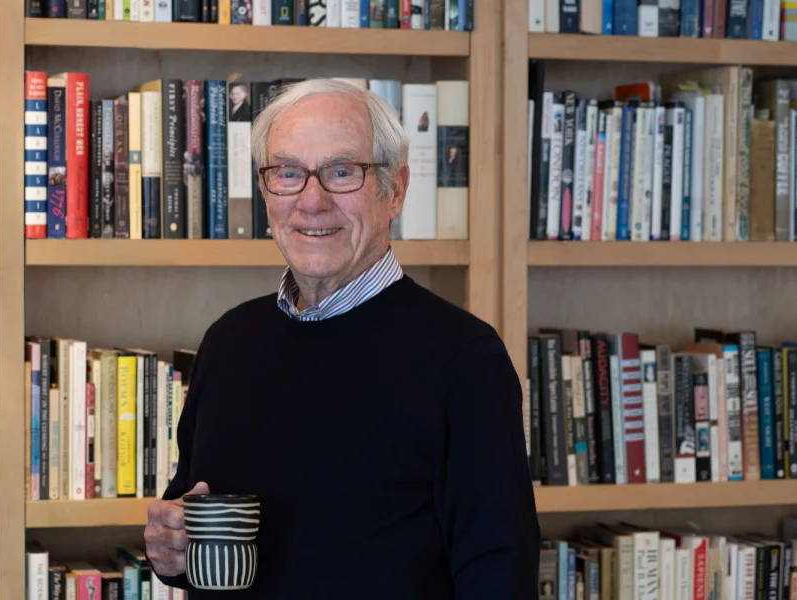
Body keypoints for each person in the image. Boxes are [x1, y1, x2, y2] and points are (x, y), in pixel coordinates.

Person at [143, 78, 541, 598]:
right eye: (288, 172)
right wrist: (168, 545)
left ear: (394, 189)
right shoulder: (228, 341)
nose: (312, 201)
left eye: (341, 172)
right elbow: (190, 510)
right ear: (266, 191)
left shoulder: (464, 360)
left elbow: (500, 576)